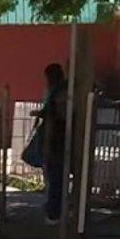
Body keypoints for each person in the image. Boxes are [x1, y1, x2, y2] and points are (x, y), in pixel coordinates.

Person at [37, 62, 67, 225]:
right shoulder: (61, 92)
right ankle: (55, 208)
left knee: (55, 177)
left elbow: (51, 121)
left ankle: (54, 212)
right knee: (56, 177)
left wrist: (47, 145)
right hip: (60, 139)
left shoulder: (56, 95)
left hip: (56, 140)